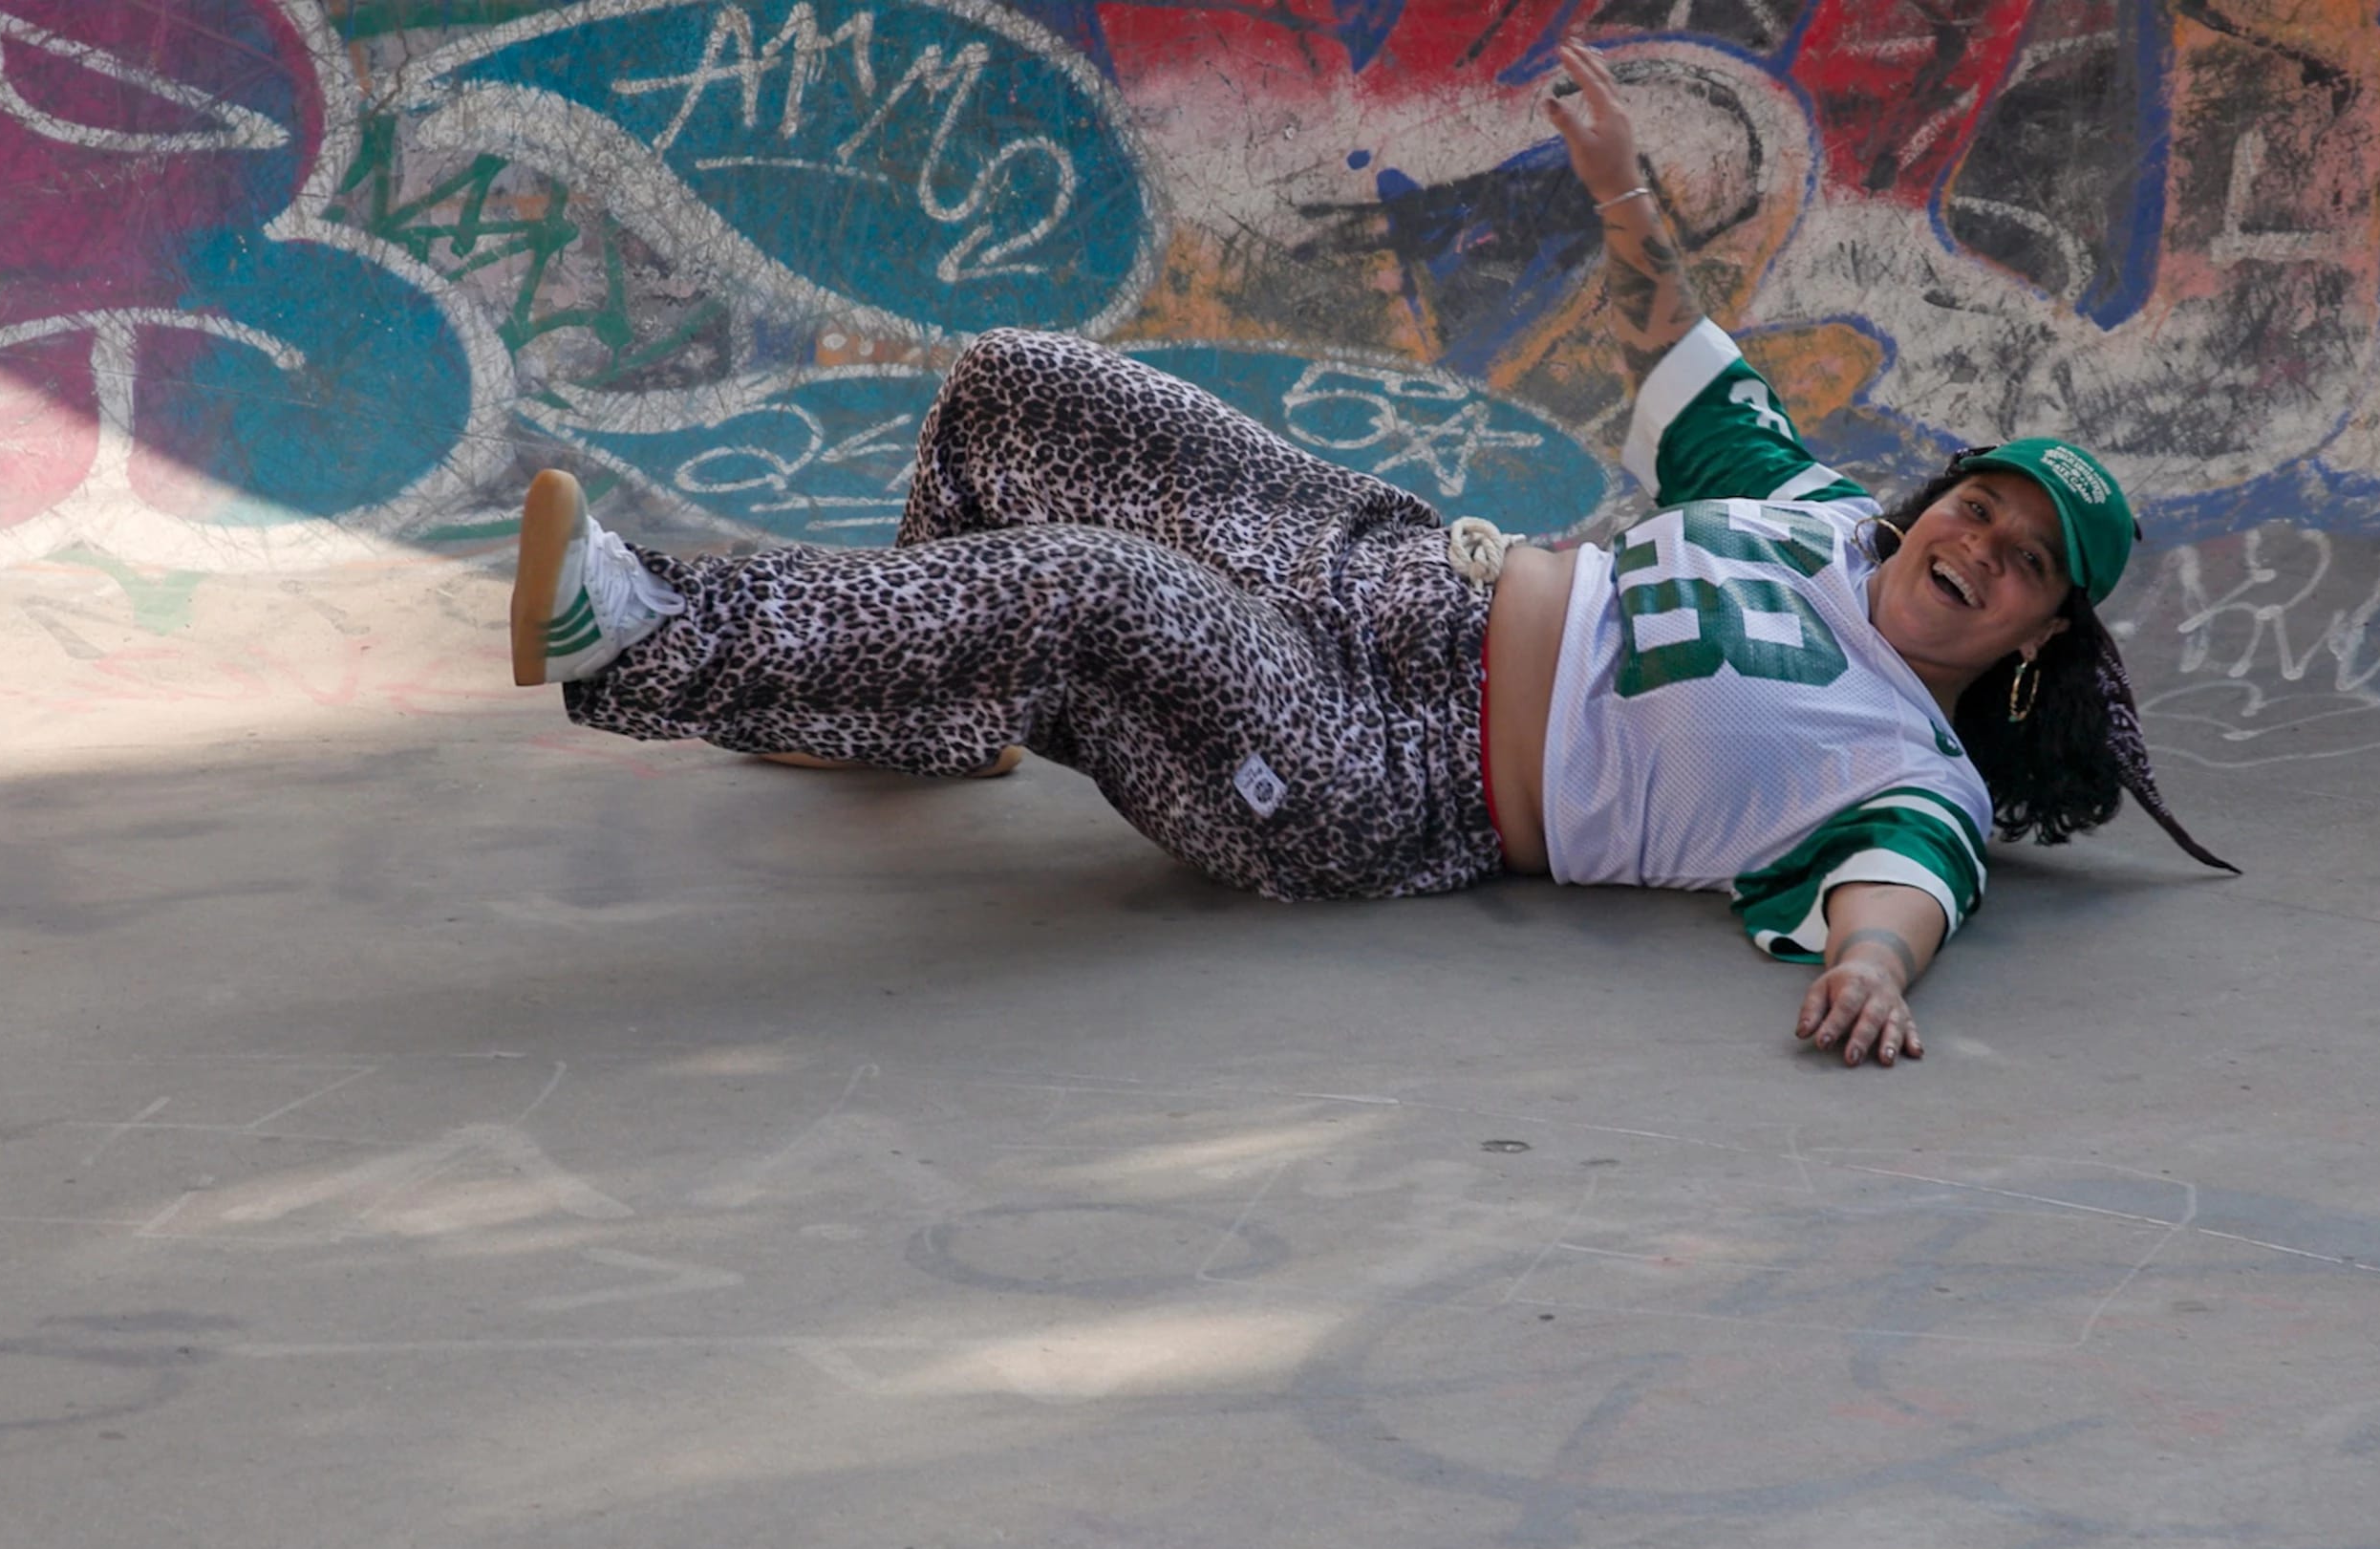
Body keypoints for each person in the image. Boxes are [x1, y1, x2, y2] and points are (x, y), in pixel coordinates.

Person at [506, 40, 2230, 1069]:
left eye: (2016, 567)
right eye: (1978, 510)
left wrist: (1866, 975)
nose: (1975, 549)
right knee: (1018, 395)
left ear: (2032, 638)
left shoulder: (1905, 776)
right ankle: (914, 716)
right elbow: (1673, 339)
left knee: (1095, 592)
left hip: (1379, 775)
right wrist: (1623, 188)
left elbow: (1902, 904)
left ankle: (646, 632)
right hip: (1382, 569)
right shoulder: (1805, 504)